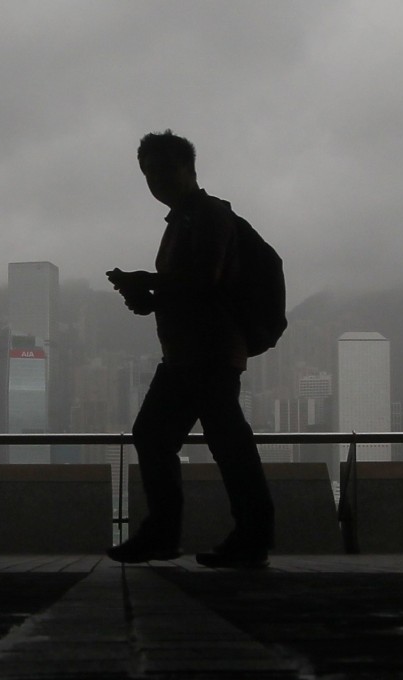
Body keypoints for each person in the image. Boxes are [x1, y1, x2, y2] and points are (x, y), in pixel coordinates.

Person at [106, 130, 275, 568]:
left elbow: (205, 279)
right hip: (187, 352)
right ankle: (236, 535)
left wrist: (148, 281)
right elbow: (189, 289)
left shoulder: (209, 215)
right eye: (148, 173)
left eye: (163, 171)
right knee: (197, 438)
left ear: (189, 169)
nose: (155, 181)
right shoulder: (181, 221)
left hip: (210, 350)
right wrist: (148, 299)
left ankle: (237, 536)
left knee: (213, 440)